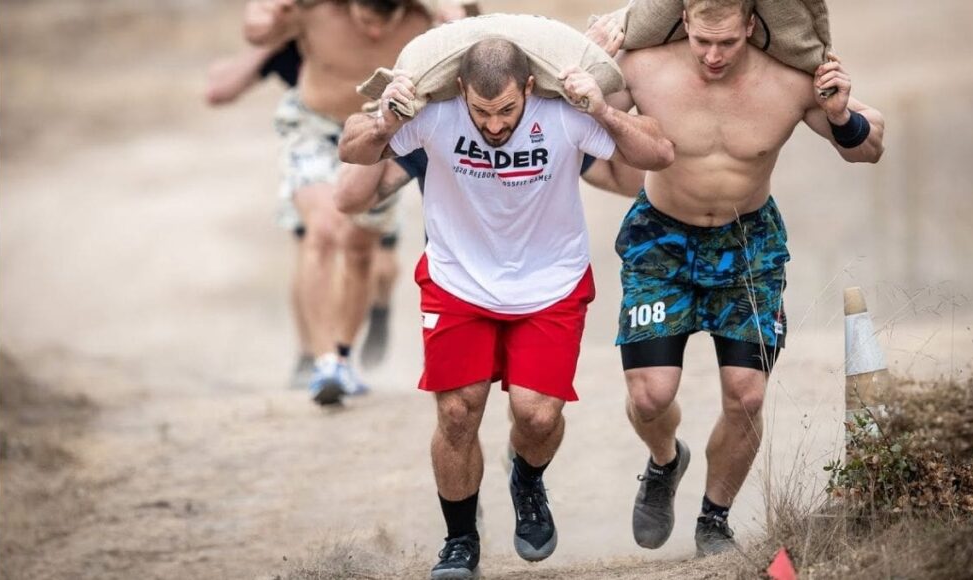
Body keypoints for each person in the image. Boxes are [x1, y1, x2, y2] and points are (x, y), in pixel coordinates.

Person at [339, 38, 673, 579]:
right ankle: (460, 542)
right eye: (482, 112)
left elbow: (659, 154)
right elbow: (351, 149)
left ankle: (527, 477)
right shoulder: (438, 114)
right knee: (456, 412)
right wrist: (384, 119)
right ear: (461, 92)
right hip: (457, 282)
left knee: (537, 415)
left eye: (507, 111)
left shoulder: (563, 115)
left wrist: (604, 111)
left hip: (551, 284)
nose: (494, 127)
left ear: (529, 89)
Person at [603, 0, 885, 556]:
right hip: (661, 241)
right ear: (683, 22)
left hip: (747, 244)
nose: (712, 55)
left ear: (751, 27)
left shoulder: (791, 79)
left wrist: (841, 115)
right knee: (650, 396)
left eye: (727, 43)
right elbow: (576, 121)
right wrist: (593, 62)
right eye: (702, 41)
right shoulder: (642, 67)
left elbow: (870, 149)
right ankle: (664, 462)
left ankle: (715, 518)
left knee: (746, 395)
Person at [243, 0, 434, 404]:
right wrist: (273, 13)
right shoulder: (314, 10)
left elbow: (473, 34)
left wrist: (455, 14)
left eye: (387, 22)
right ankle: (322, 360)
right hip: (314, 127)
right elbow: (256, 31)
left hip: (379, 137)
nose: (376, 33)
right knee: (323, 230)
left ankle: (343, 358)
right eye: (366, 20)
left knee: (360, 249)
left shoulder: (425, 17)